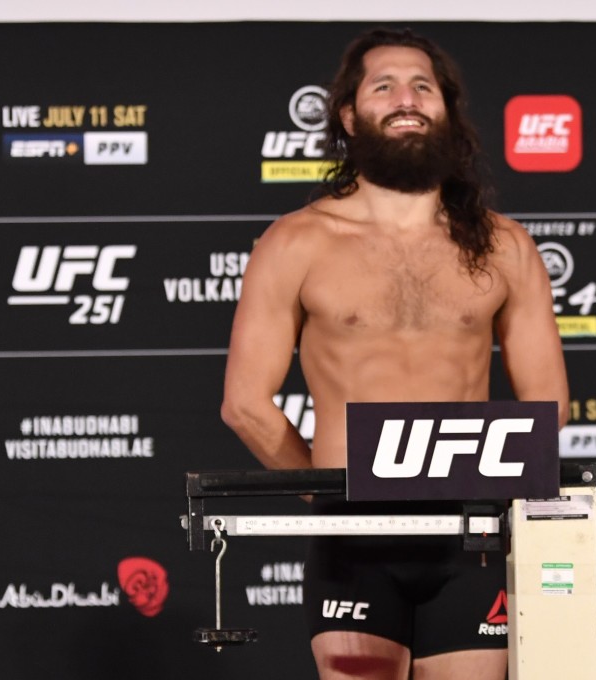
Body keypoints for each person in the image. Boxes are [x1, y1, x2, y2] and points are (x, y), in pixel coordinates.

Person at [221, 27, 569, 680]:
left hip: (471, 531)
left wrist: (495, 482)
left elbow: (549, 405)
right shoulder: (297, 243)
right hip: (352, 534)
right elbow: (244, 403)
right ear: (350, 116)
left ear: (446, 110)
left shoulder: (506, 246)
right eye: (383, 86)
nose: (405, 98)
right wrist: (324, 493)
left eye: (422, 86)